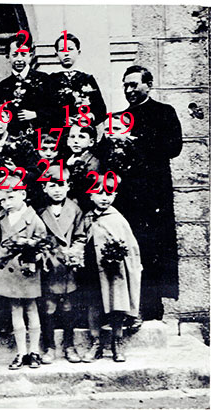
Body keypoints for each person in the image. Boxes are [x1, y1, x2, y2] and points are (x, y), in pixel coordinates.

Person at [114, 65, 182, 322]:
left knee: (154, 249)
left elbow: (174, 147)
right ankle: (131, 308)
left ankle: (154, 310)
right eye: (125, 85)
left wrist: (138, 143)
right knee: (131, 249)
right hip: (128, 195)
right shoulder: (121, 118)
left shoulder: (164, 112)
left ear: (148, 85)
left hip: (155, 194)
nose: (129, 90)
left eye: (134, 84)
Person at [81, 177, 142, 363]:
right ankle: (96, 344)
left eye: (109, 193)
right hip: (93, 268)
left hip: (114, 269)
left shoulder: (117, 219)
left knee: (117, 304)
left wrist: (126, 263)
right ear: (90, 195)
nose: (104, 198)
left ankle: (117, 342)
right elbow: (80, 239)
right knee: (94, 304)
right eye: (99, 193)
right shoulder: (86, 218)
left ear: (114, 195)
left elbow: (131, 247)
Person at [0, 175, 47, 370]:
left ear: (23, 195)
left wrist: (34, 254)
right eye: (2, 199)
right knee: (15, 309)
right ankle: (21, 352)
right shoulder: (2, 217)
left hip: (26, 270)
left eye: (10, 197)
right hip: (8, 271)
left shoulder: (34, 219)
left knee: (31, 309)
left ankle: (34, 352)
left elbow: (43, 245)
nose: (6, 203)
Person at [38, 166, 85, 364]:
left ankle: (69, 346)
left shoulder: (75, 210)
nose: (57, 190)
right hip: (49, 264)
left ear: (68, 186)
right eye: (52, 186)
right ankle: (49, 347)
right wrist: (44, 253)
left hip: (67, 265)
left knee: (68, 306)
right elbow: (37, 236)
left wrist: (74, 251)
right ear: (44, 188)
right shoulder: (40, 211)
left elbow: (81, 236)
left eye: (61, 185)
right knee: (48, 306)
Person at [0, 33, 54, 141]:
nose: (19, 59)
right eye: (15, 55)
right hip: (13, 139)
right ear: (8, 57)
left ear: (30, 56)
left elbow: (55, 109)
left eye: (23, 54)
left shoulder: (44, 79)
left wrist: (36, 114)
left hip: (41, 137)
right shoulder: (3, 86)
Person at [49, 33, 107, 129]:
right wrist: (61, 118)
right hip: (60, 130)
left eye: (70, 49)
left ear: (78, 52)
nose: (66, 53)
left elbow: (101, 109)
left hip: (84, 129)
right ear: (56, 55)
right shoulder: (51, 80)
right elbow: (46, 109)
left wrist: (89, 116)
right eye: (62, 50)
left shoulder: (87, 79)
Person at [66, 124, 101, 211]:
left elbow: (85, 189)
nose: (76, 141)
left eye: (81, 137)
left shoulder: (92, 163)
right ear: (68, 141)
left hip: (81, 204)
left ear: (91, 142)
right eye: (72, 137)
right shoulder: (68, 160)